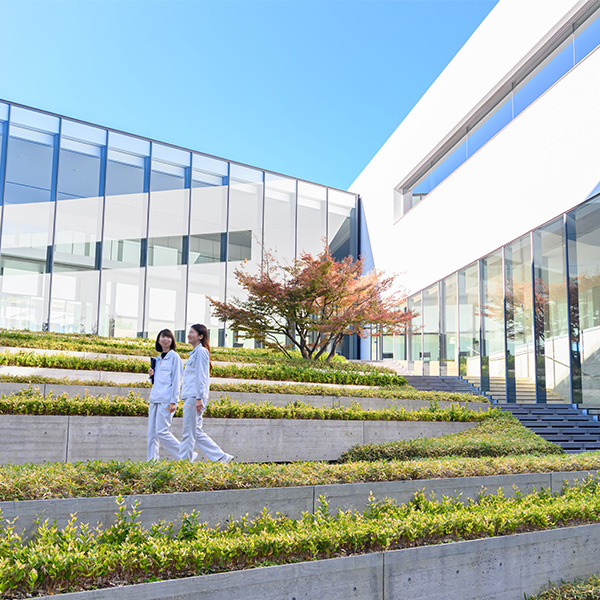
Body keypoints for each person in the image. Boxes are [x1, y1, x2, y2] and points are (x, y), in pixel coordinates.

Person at [179, 323, 233, 463]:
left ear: (200, 336)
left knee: (188, 432)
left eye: (192, 332)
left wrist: (199, 398)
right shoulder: (196, 353)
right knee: (195, 431)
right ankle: (221, 457)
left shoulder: (201, 352)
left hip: (194, 397)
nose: (189, 335)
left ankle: (185, 462)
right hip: (192, 396)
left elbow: (201, 376)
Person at [147, 328, 183, 461]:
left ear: (172, 340)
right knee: (152, 434)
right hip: (154, 399)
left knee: (162, 432)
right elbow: (157, 382)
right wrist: (152, 376)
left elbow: (177, 380)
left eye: (169, 337)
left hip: (166, 400)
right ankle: (151, 462)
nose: (166, 339)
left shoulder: (174, 357)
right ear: (158, 340)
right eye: (163, 336)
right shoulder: (157, 359)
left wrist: (174, 401)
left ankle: (185, 454)